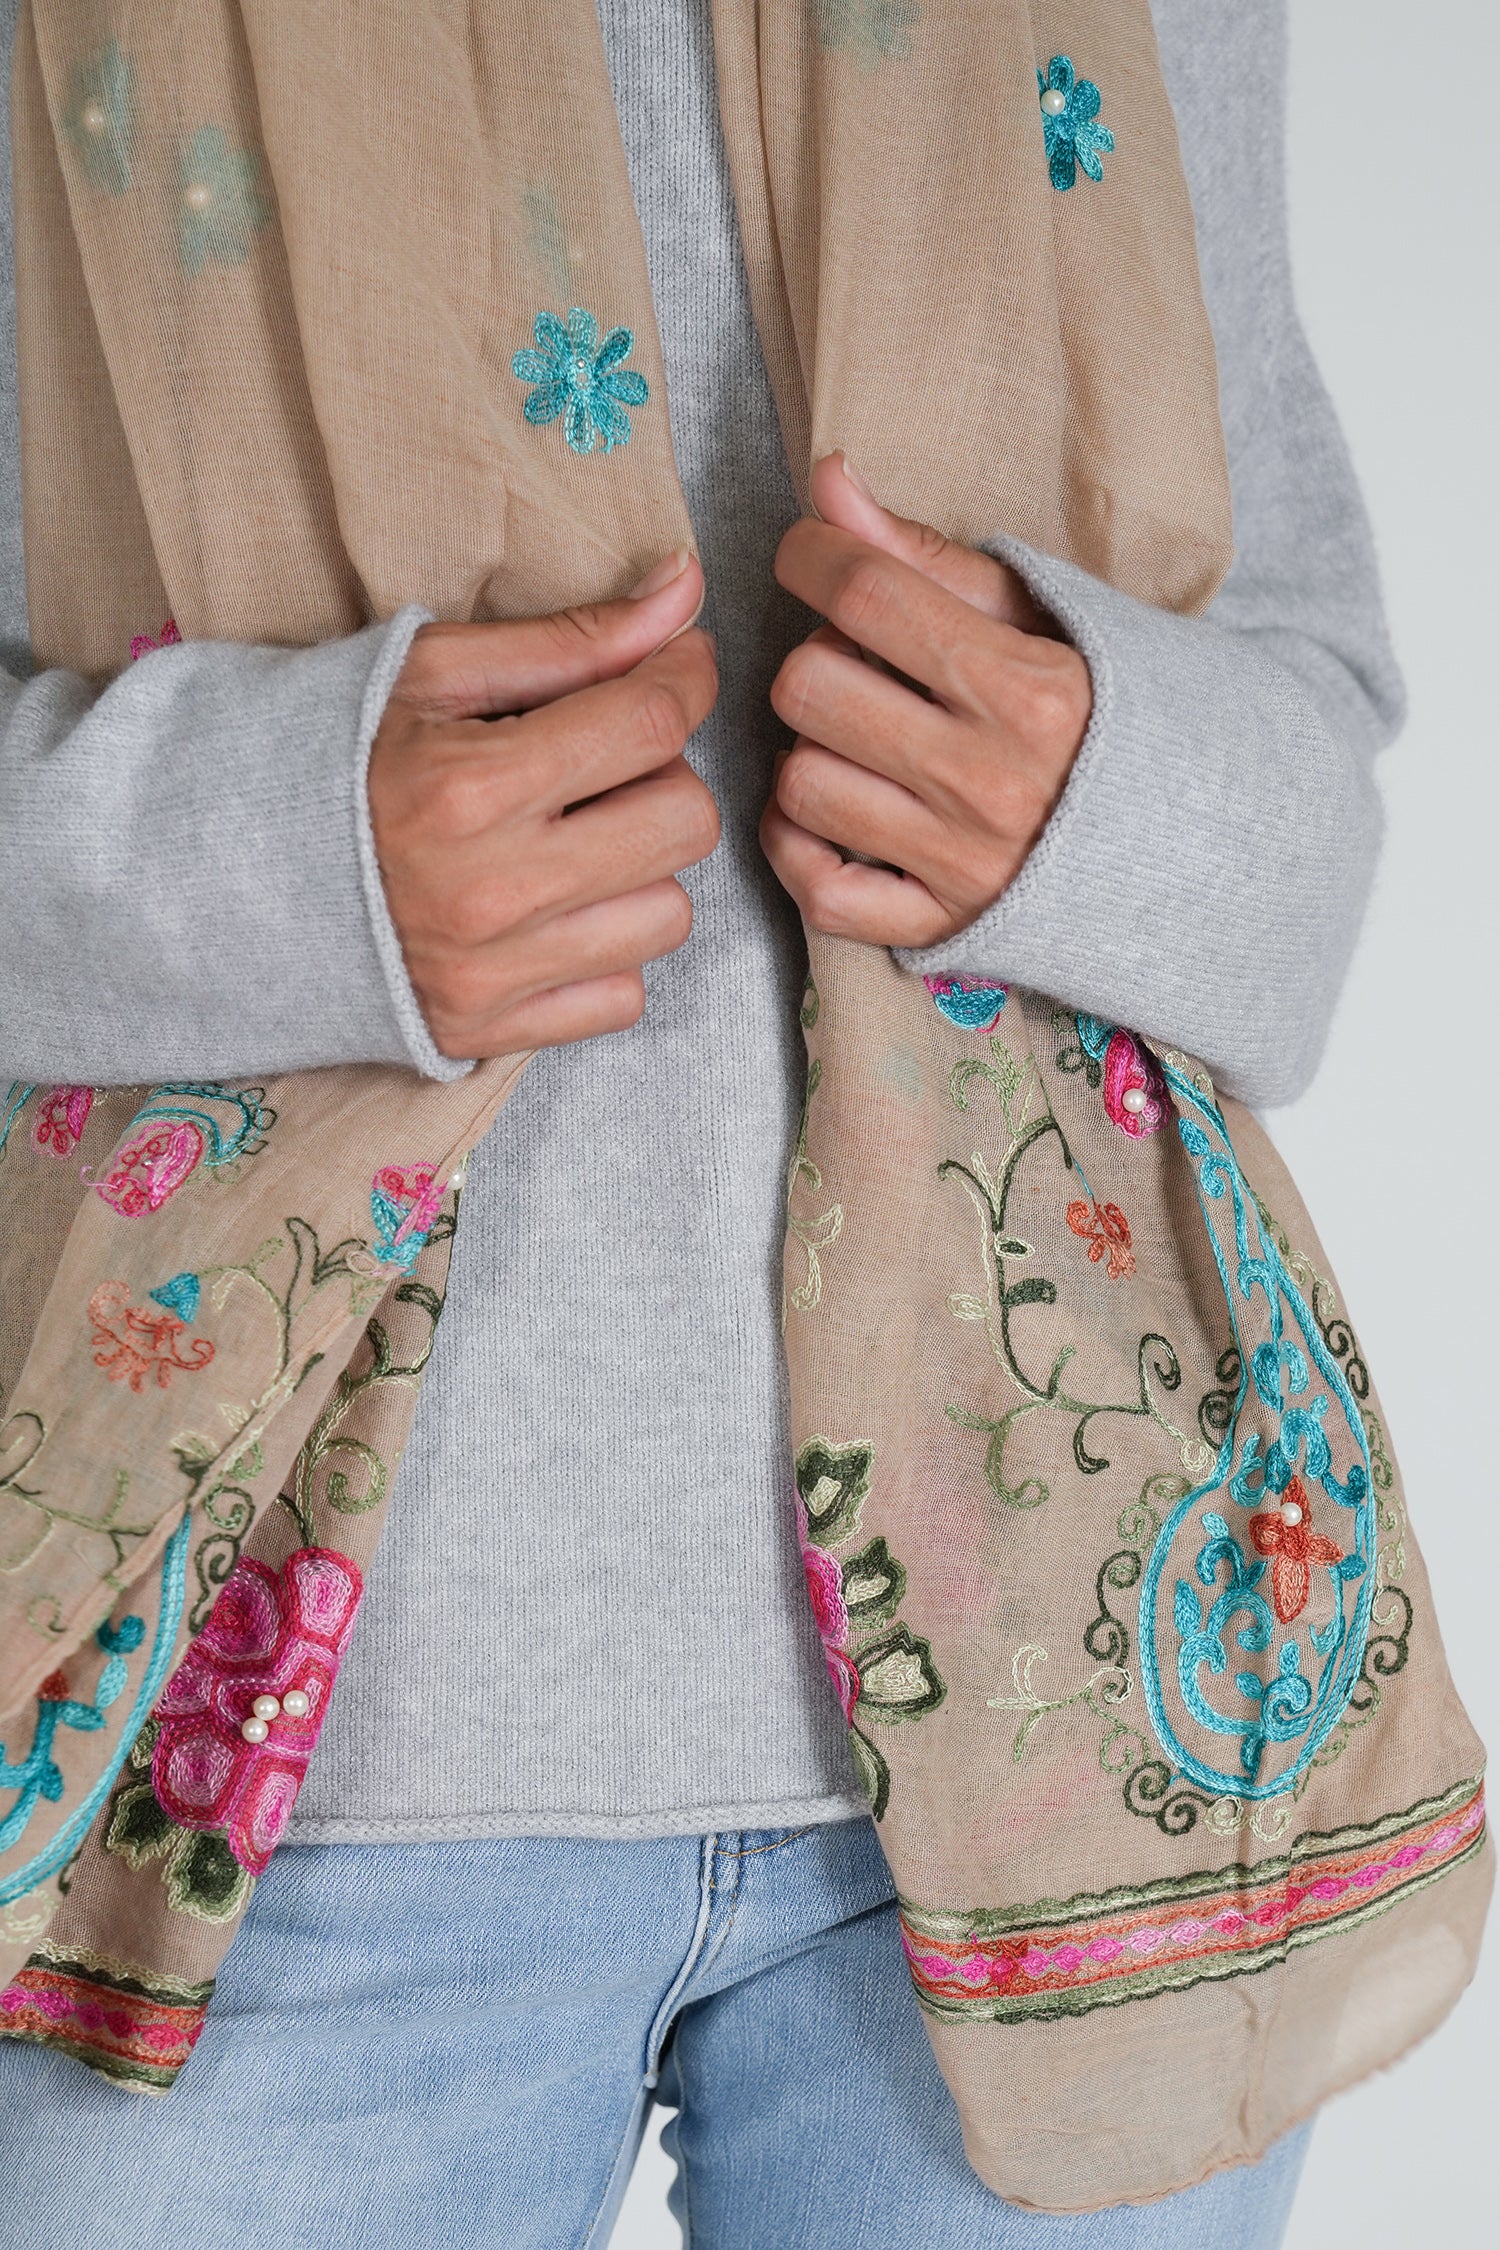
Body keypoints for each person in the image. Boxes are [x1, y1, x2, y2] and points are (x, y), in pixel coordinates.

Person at [0, 1, 1402, 2243]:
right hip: (239, 1776)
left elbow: (1317, 776)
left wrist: (1090, 784)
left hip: (1073, 1729)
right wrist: (276, 854)